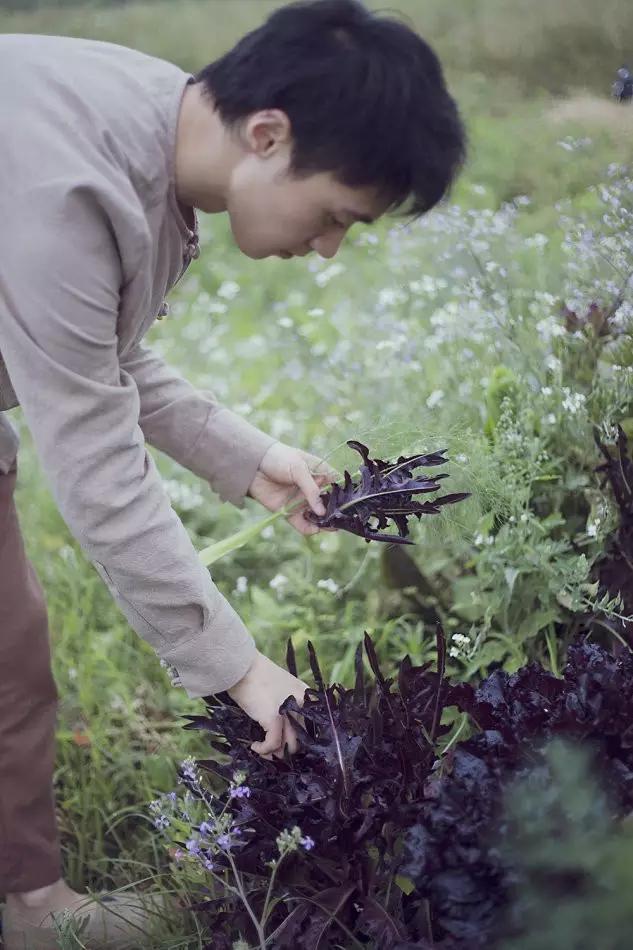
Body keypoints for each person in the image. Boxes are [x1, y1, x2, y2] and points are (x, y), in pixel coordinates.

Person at [0, 0, 465, 945]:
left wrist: (246, 457)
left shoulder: (156, 131)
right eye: (336, 215)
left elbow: (98, 347)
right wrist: (237, 667)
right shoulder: (65, 184)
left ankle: (31, 907)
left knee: (10, 657)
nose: (329, 247)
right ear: (267, 133)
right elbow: (94, 463)